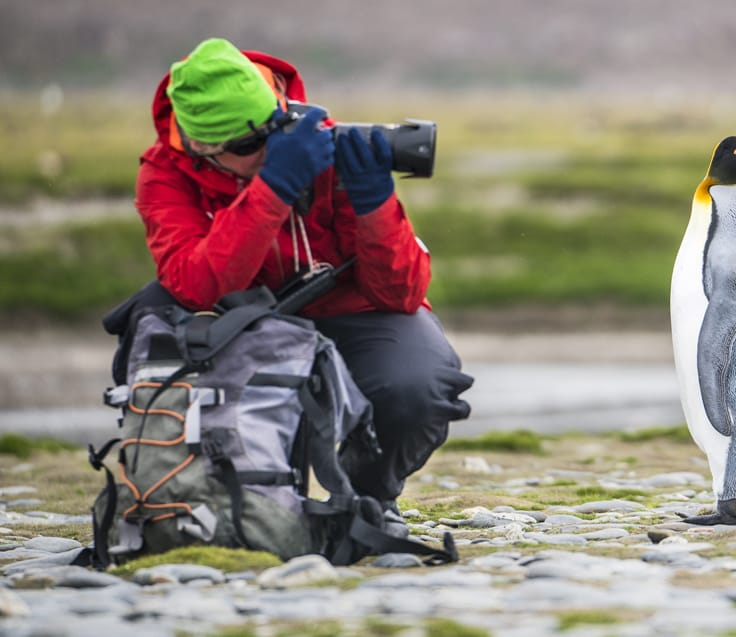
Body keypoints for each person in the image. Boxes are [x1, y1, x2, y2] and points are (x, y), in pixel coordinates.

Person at [122, 37, 473, 521]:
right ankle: (240, 508)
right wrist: (274, 189)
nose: (270, 147)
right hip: (239, 323)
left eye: (273, 128)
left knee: (418, 384)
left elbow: (401, 293)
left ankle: (368, 500)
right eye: (250, 145)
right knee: (160, 323)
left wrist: (373, 199)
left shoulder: (315, 141)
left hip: (348, 310)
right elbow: (197, 286)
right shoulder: (165, 173)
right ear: (202, 148)